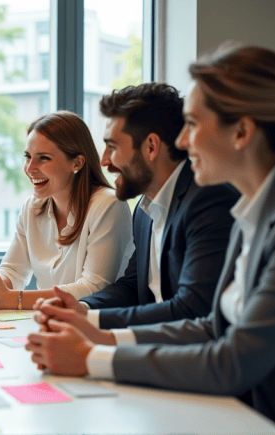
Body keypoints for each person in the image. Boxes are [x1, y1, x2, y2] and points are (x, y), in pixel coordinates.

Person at [26, 44, 275, 433]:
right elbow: (213, 325)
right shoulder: (255, 207)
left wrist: (92, 357)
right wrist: (98, 333)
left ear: (242, 132)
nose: (182, 141)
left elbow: (232, 360)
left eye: (193, 124)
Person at [39, 83, 239, 328]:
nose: (104, 161)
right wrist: (81, 307)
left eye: (112, 147)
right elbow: (132, 287)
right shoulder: (145, 210)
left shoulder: (209, 201)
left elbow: (192, 308)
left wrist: (89, 321)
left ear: (151, 147)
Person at [0, 111, 134, 311]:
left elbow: (94, 288)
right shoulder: (32, 207)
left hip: (94, 325)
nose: (30, 168)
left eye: (43, 158)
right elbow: (13, 270)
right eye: (28, 157)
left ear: (77, 163)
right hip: (49, 320)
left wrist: (9, 299)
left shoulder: (108, 205)